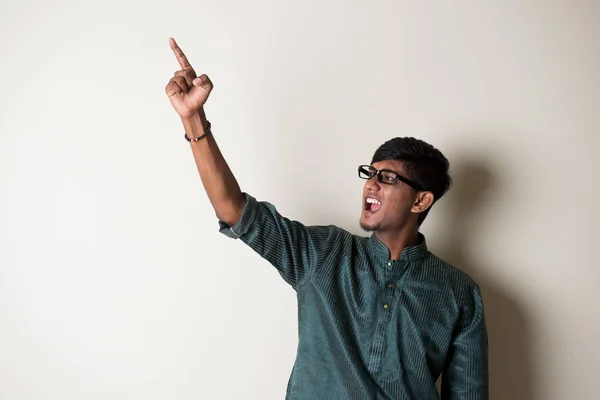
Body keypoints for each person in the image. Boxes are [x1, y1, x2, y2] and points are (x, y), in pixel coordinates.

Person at [165, 37, 489, 400]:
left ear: (421, 200)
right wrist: (193, 118)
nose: (371, 186)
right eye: (370, 173)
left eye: (387, 178)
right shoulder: (323, 254)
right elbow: (234, 210)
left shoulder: (457, 292)